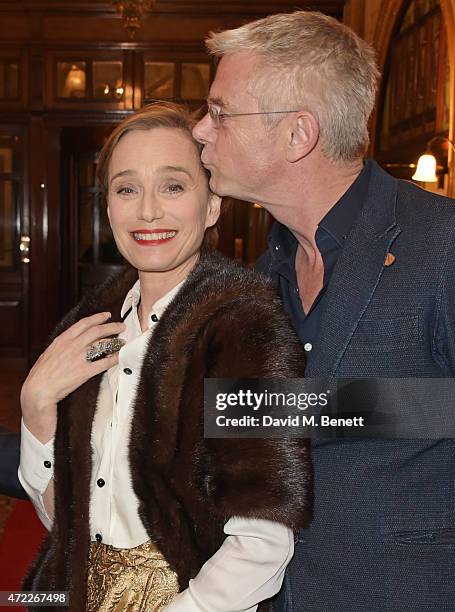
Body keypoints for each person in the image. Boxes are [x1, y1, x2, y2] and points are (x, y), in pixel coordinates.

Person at [192, 10, 455, 612]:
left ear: (298, 134)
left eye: (221, 112)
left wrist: (301, 407)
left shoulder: (441, 244)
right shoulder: (262, 275)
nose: (202, 130)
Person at [18, 102, 313, 612]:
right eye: (127, 188)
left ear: (213, 204)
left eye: (173, 186)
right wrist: (35, 410)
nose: (147, 210)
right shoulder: (90, 329)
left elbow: (263, 537)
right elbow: (66, 521)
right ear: (107, 208)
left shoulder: (242, 327)